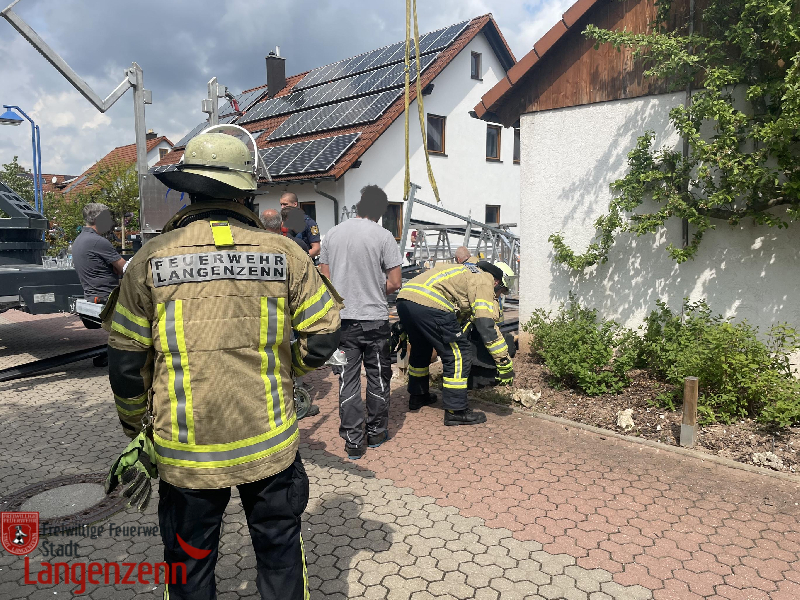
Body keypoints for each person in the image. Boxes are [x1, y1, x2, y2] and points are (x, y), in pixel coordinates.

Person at [105, 131, 341, 600]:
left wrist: (137, 429)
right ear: (246, 194)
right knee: (279, 554)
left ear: (190, 191)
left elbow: (126, 364)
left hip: (186, 453)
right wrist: (288, 368)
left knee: (189, 568)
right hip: (270, 446)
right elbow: (324, 336)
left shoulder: (149, 260)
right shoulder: (285, 254)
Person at [319, 185, 403, 460]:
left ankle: (354, 441)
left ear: (358, 206)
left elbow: (325, 280)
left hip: (342, 322)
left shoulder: (332, 234)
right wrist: (373, 290)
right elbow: (395, 282)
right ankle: (376, 432)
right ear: (379, 211)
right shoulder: (384, 236)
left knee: (348, 380)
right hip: (375, 321)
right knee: (378, 377)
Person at [395, 260, 515, 425]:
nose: (499, 296)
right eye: (501, 291)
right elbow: (486, 325)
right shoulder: (484, 281)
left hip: (405, 299)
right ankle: (456, 410)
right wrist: (503, 361)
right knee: (459, 354)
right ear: (497, 282)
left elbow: (456, 316)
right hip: (430, 303)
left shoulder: (468, 271)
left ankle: (418, 395)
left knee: (421, 348)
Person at [71, 202, 126, 303]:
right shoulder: (98, 241)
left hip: (92, 297)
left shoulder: (79, 239)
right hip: (108, 298)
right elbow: (126, 269)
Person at [279, 192, 320, 258]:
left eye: (285, 204)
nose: (282, 207)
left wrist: (300, 259)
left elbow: (316, 249)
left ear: (295, 204)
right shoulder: (282, 222)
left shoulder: (309, 223)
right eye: (281, 204)